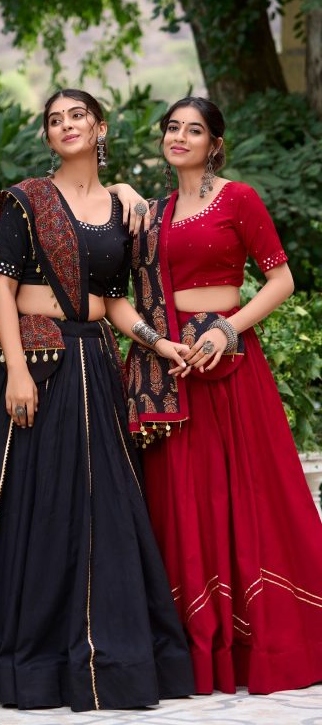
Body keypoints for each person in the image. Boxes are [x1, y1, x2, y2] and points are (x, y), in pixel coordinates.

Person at [0, 89, 195, 711]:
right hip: (33, 367)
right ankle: (16, 659)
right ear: (47, 137)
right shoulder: (27, 200)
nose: (66, 125)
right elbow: (1, 287)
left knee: (99, 512)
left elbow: (114, 300)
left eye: (77, 116)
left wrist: (159, 343)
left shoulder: (122, 209)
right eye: (54, 120)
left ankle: (100, 657)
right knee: (26, 509)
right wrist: (16, 370)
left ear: (100, 127)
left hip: (94, 365)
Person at [117, 96, 322, 696]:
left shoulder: (238, 200)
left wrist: (228, 329)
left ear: (214, 143)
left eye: (194, 130)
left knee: (248, 495)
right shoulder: (149, 213)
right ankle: (196, 645)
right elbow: (112, 275)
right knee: (184, 499)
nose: (180, 137)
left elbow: (280, 279)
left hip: (230, 367)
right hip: (171, 370)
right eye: (172, 128)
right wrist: (123, 188)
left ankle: (266, 641)